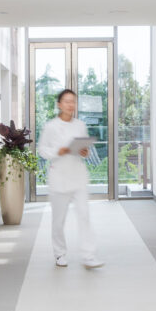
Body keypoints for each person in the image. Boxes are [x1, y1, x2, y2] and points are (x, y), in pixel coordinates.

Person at [36, 89, 104, 269]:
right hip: (59, 178)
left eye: (73, 101)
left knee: (84, 215)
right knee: (58, 220)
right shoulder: (51, 126)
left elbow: (84, 151)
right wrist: (57, 152)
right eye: (66, 101)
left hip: (78, 177)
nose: (70, 105)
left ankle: (89, 255)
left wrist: (84, 151)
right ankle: (59, 254)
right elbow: (42, 149)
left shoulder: (80, 125)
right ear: (59, 104)